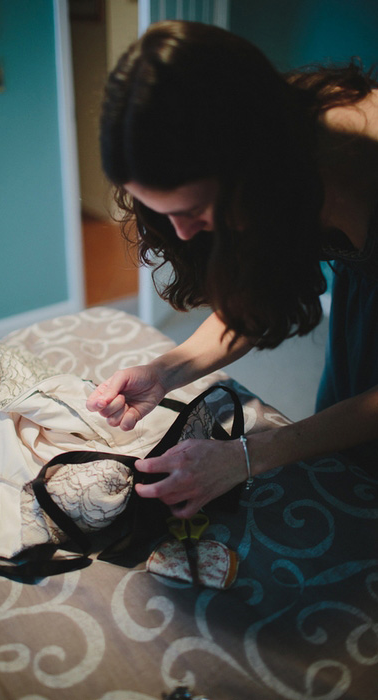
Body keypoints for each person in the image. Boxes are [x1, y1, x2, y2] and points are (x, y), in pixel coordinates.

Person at [86, 20, 378, 519]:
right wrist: (164, 372)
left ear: (255, 170)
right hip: (362, 315)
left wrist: (248, 455)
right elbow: (254, 298)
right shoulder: (273, 142)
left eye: (195, 210)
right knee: (349, 473)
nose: (181, 233)